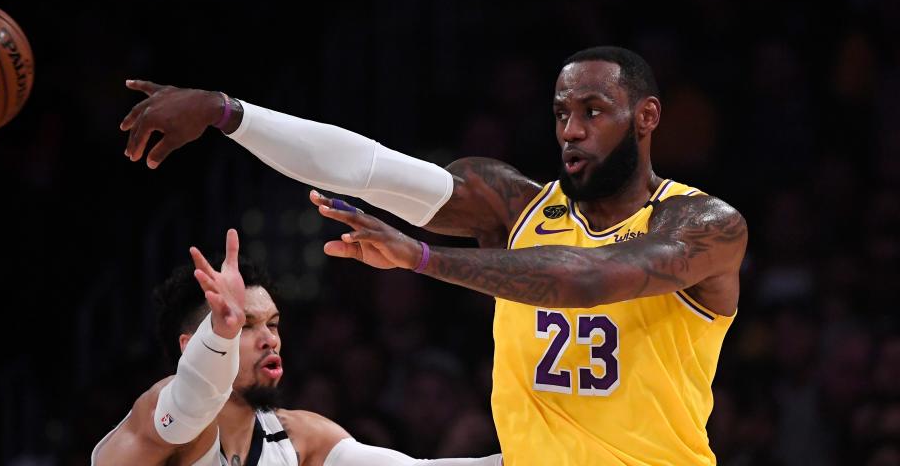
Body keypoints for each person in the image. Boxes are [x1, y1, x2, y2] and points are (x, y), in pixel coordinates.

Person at [120, 46, 748, 465]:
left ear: (647, 117)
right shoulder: (512, 206)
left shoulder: (705, 225)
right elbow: (368, 168)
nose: (571, 131)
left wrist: (423, 259)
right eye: (561, 114)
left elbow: (585, 279)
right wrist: (227, 113)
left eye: (593, 112)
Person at [92, 229, 502, 466]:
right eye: (245, 325)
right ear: (191, 344)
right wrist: (221, 334)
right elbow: (189, 403)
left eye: (272, 324)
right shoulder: (158, 417)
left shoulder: (301, 437)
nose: (269, 337)